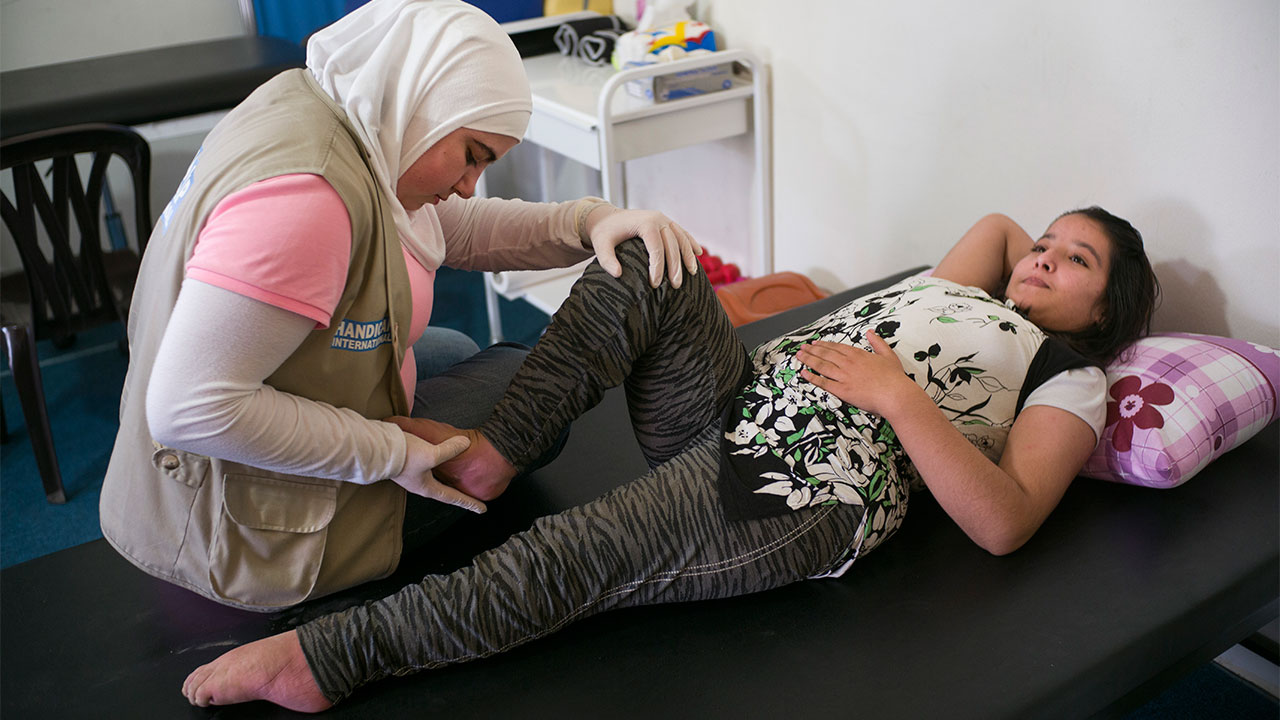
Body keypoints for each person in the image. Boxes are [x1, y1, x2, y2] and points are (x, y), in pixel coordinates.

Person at [181, 207, 1161, 711]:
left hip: (801, 476)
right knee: (651, 256)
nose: (1034, 254)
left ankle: (327, 660)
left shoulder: (1064, 372)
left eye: (1071, 260)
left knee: (574, 548)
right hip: (736, 399)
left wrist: (899, 399)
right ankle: (494, 454)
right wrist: (1033, 251)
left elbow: (1001, 523)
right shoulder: (964, 294)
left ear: (1104, 314)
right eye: (1043, 241)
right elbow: (992, 227)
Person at [98, 0, 706, 612]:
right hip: (228, 526)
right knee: (524, 391)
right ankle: (422, 496)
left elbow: (457, 226)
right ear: (424, 102)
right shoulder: (307, 199)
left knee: (454, 350)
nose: (471, 183)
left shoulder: (331, 106)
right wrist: (395, 455)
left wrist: (590, 219)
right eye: (472, 155)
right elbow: (190, 410)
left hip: (184, 445)